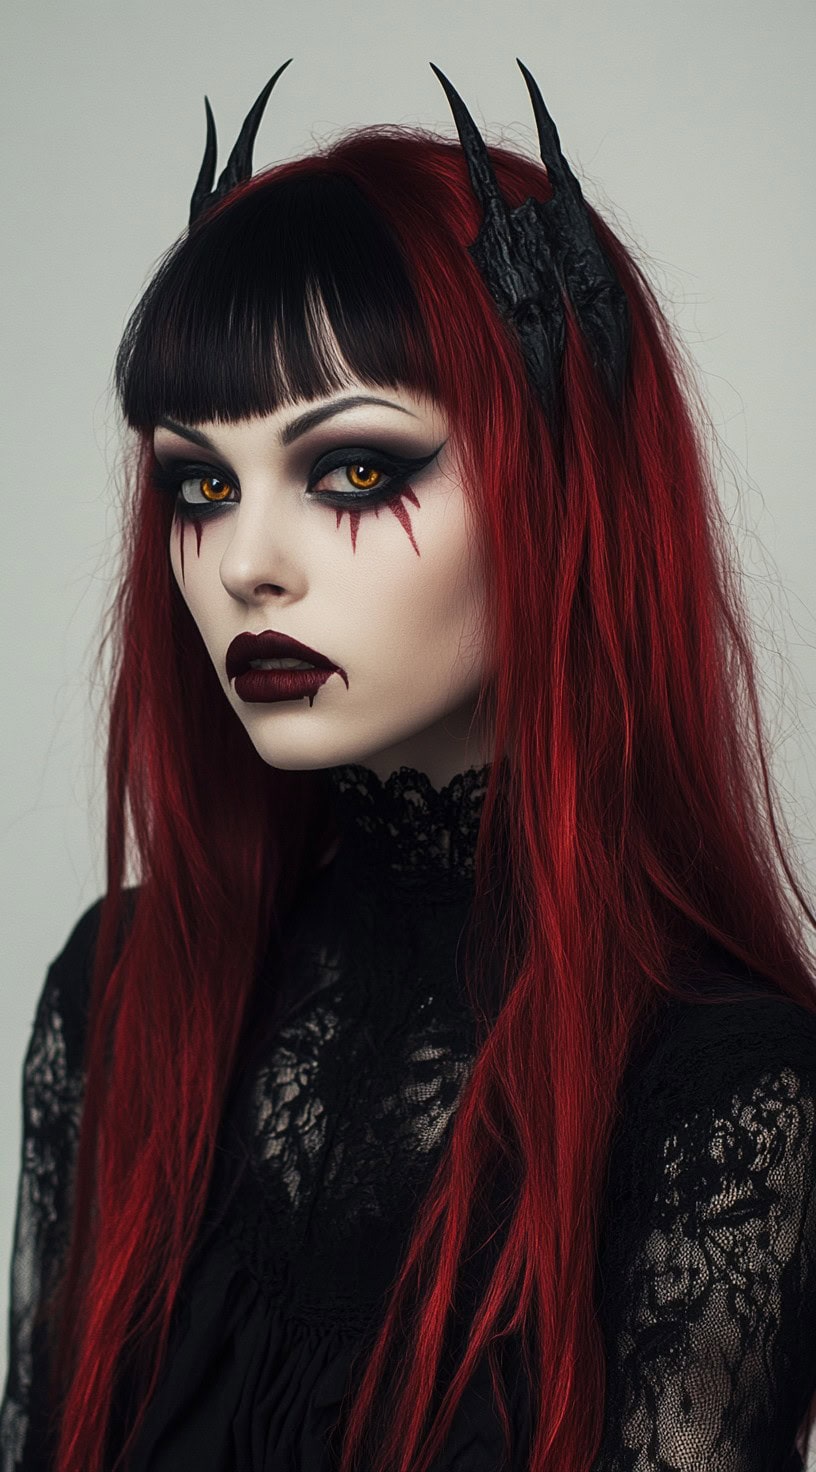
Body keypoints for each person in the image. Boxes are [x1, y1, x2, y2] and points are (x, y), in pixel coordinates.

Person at [2, 57, 816, 1472]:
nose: (244, 563)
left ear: (560, 495)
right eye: (199, 481)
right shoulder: (121, 996)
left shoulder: (725, 1097)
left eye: (355, 470)